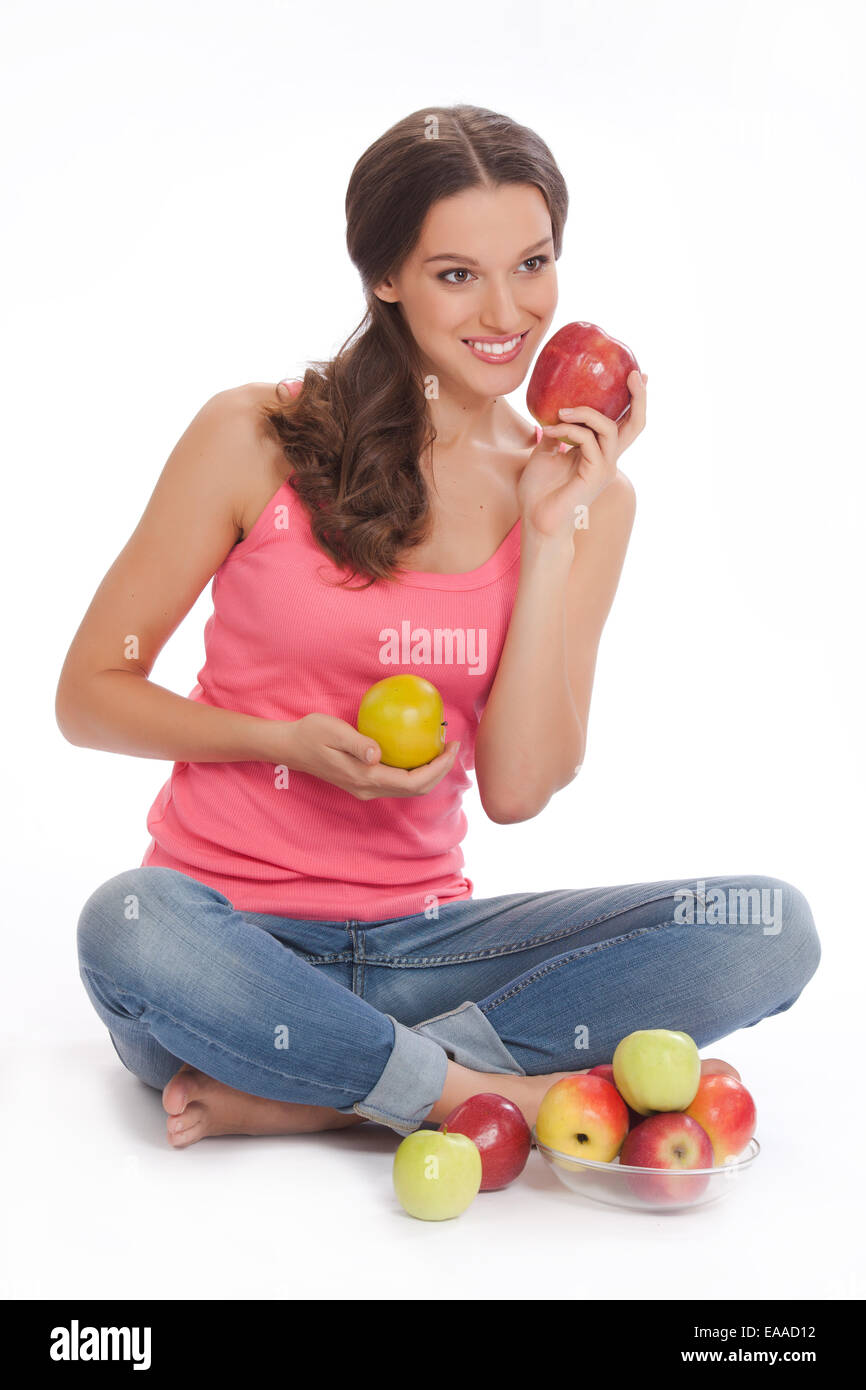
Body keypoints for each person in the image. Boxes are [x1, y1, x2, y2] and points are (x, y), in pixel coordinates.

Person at [58, 104, 820, 1150]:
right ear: (384, 277)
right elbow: (90, 691)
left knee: (764, 928)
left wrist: (551, 529)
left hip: (427, 951)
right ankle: (466, 1093)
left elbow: (515, 790)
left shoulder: (588, 498)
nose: (506, 310)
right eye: (457, 273)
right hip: (224, 948)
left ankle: (336, 1088)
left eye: (533, 263)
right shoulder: (254, 435)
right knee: (123, 923)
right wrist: (277, 743)